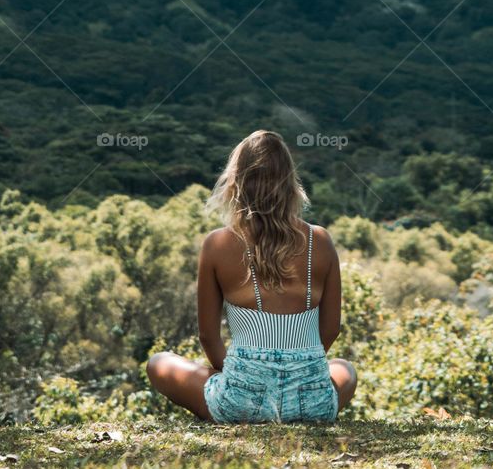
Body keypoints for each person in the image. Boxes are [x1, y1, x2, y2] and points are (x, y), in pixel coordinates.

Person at [147, 129, 357, 422]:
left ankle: (238, 402)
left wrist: (248, 376)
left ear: (236, 182)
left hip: (240, 402)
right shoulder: (320, 240)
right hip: (313, 402)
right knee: (345, 368)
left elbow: (208, 336)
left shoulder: (217, 244)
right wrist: (297, 371)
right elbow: (331, 328)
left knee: (159, 362)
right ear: (290, 183)